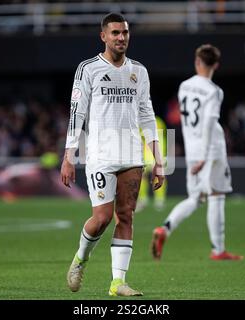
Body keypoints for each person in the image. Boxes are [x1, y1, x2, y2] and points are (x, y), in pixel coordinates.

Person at [61, 13, 165, 297]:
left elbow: (146, 115)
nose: (121, 38)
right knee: (102, 218)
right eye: (116, 33)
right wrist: (69, 155)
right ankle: (81, 258)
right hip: (100, 155)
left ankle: (117, 282)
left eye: (125, 33)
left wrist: (158, 160)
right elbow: (77, 114)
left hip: (132, 154)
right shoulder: (88, 69)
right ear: (103, 36)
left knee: (126, 216)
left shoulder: (139, 71)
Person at [151, 44, 243, 261]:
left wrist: (195, 151)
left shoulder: (184, 86)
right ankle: (218, 250)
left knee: (195, 197)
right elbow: (210, 122)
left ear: (197, 62)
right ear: (216, 65)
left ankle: (165, 228)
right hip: (210, 149)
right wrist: (204, 156)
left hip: (192, 146)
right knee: (216, 195)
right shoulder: (214, 91)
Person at [137, 115, 167, 211]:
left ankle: (154, 200)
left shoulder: (143, 122)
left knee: (146, 176)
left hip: (153, 152)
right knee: (145, 176)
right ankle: (155, 200)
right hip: (153, 152)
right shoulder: (159, 121)